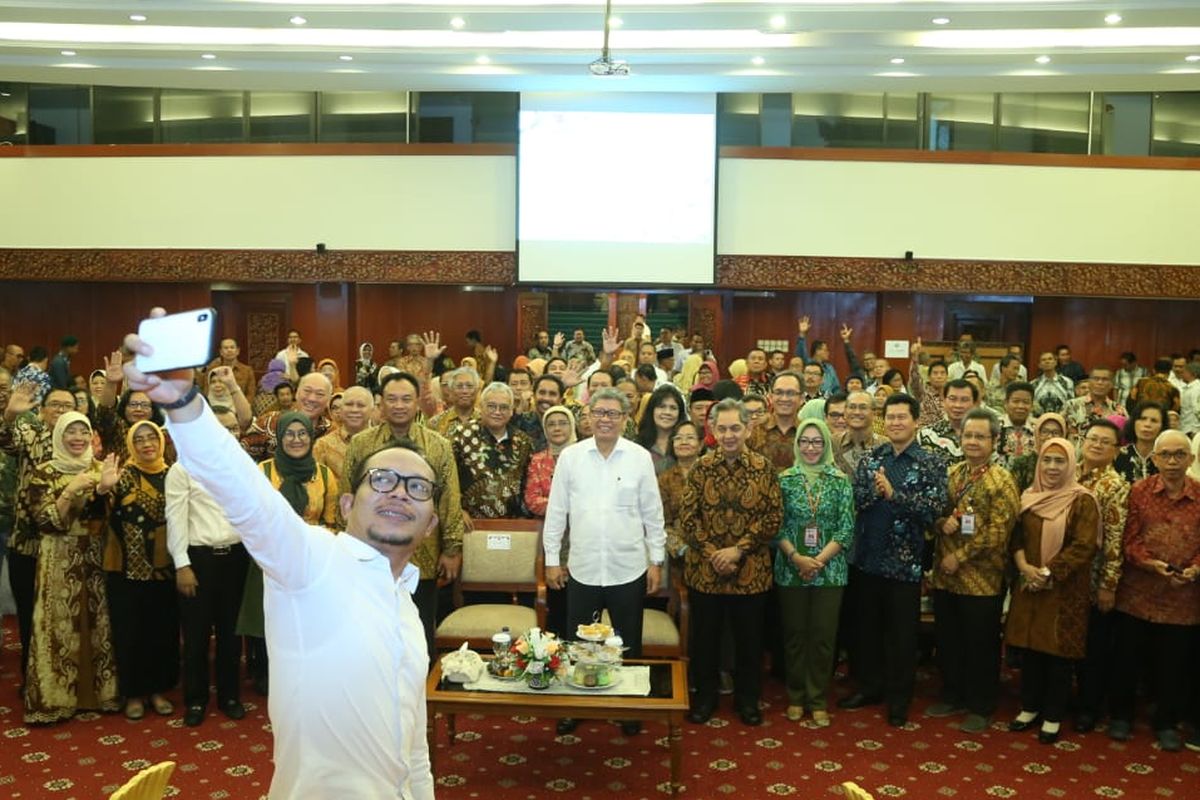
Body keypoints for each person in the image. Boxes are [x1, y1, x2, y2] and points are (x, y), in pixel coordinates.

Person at [123, 312, 437, 799]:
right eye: (382, 480)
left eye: (417, 487)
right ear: (348, 503)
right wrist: (183, 403)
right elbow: (244, 491)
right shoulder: (312, 561)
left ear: (430, 522)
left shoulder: (407, 611)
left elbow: (415, 751)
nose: (399, 492)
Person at [543, 388, 666, 736]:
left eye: (613, 413)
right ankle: (575, 705)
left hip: (628, 566)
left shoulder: (640, 458)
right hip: (582, 566)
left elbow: (652, 515)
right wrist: (552, 559)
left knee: (627, 642)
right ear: (588, 417)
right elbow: (557, 513)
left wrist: (655, 559)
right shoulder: (571, 457)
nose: (605, 419)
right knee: (578, 640)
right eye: (599, 412)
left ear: (625, 419)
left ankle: (629, 706)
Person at [841, 393, 947, 727]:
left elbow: (934, 510)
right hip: (868, 559)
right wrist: (876, 492)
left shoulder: (931, 462)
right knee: (867, 631)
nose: (896, 423)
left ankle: (899, 699)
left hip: (905, 564)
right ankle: (870, 688)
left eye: (903, 417)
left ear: (916, 422)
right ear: (881, 421)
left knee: (902, 637)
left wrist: (894, 494)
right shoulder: (873, 457)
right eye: (890, 417)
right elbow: (857, 497)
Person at [342, 371, 465, 655]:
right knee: (369, 632)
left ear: (417, 402)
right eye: (392, 399)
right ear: (380, 403)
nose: (399, 405)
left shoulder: (438, 445)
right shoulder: (361, 444)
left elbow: (449, 499)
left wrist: (451, 548)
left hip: (421, 555)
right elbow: (347, 495)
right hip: (367, 555)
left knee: (418, 632)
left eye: (406, 399)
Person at [680, 399, 783, 726]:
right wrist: (714, 553)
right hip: (705, 572)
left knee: (750, 643)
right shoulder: (700, 467)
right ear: (711, 430)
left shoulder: (764, 468)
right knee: (705, 641)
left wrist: (738, 550)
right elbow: (688, 518)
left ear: (748, 428)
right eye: (722, 428)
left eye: (735, 428)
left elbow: (773, 517)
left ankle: (748, 701)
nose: (729, 435)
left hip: (750, 572)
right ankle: (705, 699)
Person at [23, 412, 121, 723]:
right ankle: (55, 699)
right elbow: (44, 521)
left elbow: (106, 520)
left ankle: (98, 695)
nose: (78, 438)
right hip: (58, 555)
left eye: (83, 431)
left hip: (95, 553)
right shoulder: (44, 472)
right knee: (58, 624)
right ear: (60, 436)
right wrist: (69, 491)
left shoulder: (99, 469)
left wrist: (103, 491)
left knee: (97, 623)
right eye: (71, 432)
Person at [927, 408, 1019, 733]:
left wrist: (961, 555)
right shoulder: (952, 473)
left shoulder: (1002, 480)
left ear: (995, 440)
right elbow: (934, 512)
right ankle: (952, 694)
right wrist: (940, 522)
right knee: (949, 640)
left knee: (980, 644)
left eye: (981, 436)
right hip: (946, 577)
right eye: (968, 435)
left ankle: (981, 705)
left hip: (982, 579)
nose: (973, 442)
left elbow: (999, 531)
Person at [1107, 430, 1200, 751]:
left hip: (1183, 597)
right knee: (1127, 659)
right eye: (1166, 455)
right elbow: (1127, 539)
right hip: (1138, 592)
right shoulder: (1139, 491)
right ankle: (1121, 716)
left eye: (1179, 455)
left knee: (1174, 664)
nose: (1173, 462)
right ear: (1155, 458)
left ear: (1190, 458)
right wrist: (1150, 564)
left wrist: (1195, 568)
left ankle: (1166, 722)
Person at [1004, 438, 1100, 745]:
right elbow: (1015, 536)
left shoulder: (1082, 500)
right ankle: (1029, 708)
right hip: (1029, 584)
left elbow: (1084, 545)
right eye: (1047, 460)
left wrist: (1048, 573)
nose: (1052, 467)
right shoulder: (1029, 497)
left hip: (1064, 589)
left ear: (1070, 464)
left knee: (1058, 656)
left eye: (1060, 461)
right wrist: (1024, 567)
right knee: (1031, 650)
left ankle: (1053, 715)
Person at [239, 411, 339, 696]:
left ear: (311, 437)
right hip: (272, 556)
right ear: (279, 438)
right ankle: (268, 673)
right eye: (289, 434)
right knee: (273, 616)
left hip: (311, 556)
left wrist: (313, 543)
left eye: (302, 434)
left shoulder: (323, 474)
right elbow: (254, 515)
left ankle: (306, 671)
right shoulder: (264, 471)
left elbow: (331, 521)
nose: (296, 440)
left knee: (306, 619)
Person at [166, 407, 251, 727]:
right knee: (197, 635)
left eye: (234, 429)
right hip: (198, 560)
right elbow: (175, 520)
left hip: (236, 559)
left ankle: (230, 696)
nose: (230, 434)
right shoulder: (183, 468)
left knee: (232, 634)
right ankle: (197, 699)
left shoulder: (241, 466)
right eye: (222, 428)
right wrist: (181, 564)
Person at [775, 418, 854, 727]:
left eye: (817, 442)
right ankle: (796, 696)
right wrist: (797, 558)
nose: (810, 448)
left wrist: (817, 561)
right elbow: (775, 527)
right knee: (795, 635)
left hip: (830, 571)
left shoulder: (839, 480)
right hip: (790, 568)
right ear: (798, 445)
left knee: (822, 637)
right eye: (805, 442)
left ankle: (818, 698)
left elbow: (846, 529)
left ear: (826, 446)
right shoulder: (785, 479)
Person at [103, 420, 178, 720]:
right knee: (130, 632)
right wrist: (101, 489)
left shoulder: (174, 475)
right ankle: (133, 692)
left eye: (152, 438)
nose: (147, 444)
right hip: (126, 570)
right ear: (131, 444)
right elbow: (98, 517)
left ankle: (159, 689)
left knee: (162, 632)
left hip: (166, 570)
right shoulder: (122, 476)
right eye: (140, 439)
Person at [0, 384, 77, 679]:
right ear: (42, 411)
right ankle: (34, 681)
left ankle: (69, 680)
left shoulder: (82, 440)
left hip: (69, 545)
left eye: (66, 405)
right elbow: (5, 440)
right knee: (30, 618)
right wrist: (8, 416)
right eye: (54, 404)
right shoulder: (30, 437)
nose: (60, 410)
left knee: (67, 615)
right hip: (28, 544)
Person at [1072, 418, 1129, 734]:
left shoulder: (1114, 486)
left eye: (1104, 442)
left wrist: (1108, 585)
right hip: (1066, 575)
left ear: (1116, 450)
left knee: (1093, 648)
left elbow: (1115, 540)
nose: (1095, 445)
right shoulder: (1069, 474)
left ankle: (1089, 707)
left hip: (1093, 579)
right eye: (1092, 438)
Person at [452, 382, 533, 519]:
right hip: (468, 522)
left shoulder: (523, 441)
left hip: (511, 524)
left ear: (511, 411)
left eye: (503, 407)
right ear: (480, 407)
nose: (497, 412)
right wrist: (457, 510)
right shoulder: (462, 435)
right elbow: (447, 477)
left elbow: (528, 483)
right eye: (491, 406)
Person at [658, 421, 703, 564]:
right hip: (679, 557)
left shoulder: (712, 472)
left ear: (701, 444)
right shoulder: (665, 478)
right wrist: (683, 549)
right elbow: (662, 522)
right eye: (678, 438)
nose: (683, 442)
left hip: (715, 553)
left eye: (690, 437)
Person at [313, 385, 374, 485]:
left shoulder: (384, 443)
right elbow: (316, 486)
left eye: (361, 405)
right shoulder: (323, 446)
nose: (354, 410)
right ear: (341, 410)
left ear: (372, 410)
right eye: (349, 404)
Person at [1064, 367, 1125, 441]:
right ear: (1089, 382)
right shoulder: (1071, 405)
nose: (1100, 382)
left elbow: (1125, 439)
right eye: (1096, 379)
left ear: (1111, 384)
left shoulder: (1119, 410)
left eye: (1105, 379)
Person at [1009, 413, 1066, 493]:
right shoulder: (1022, 464)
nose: (1049, 437)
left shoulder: (1067, 464)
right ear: (1037, 434)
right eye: (1045, 432)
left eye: (1055, 433)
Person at [636, 384, 686, 474]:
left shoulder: (686, 443)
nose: (667, 412)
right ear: (652, 410)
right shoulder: (638, 445)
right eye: (661, 407)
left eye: (673, 408)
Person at [1114, 402, 1165, 485]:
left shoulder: (1166, 458)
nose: (1147, 424)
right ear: (1133, 422)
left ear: (1162, 427)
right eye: (1142, 419)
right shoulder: (1118, 455)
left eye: (1154, 421)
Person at [908, 338, 946, 428]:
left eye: (942, 373)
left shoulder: (951, 395)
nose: (939, 376)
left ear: (947, 376)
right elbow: (914, 379)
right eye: (935, 373)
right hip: (926, 434)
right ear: (929, 377)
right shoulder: (923, 392)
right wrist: (914, 358)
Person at [997, 381, 1036, 468]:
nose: (1020, 406)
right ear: (1006, 403)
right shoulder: (993, 428)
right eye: (1016, 401)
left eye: (1026, 402)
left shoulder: (1038, 430)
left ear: (1032, 405)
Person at [1032, 351, 1074, 416]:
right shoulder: (1033, 384)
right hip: (1039, 421)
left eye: (1050, 359)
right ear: (1039, 365)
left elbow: (1071, 404)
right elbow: (1032, 406)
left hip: (1062, 420)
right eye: (1043, 360)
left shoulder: (1067, 382)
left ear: (1055, 362)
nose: (1047, 361)